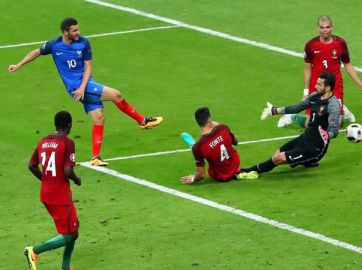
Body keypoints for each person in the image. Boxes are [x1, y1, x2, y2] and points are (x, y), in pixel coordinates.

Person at [8, 17, 163, 166]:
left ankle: (95, 158)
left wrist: (84, 86)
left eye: (78, 29)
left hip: (86, 84)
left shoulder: (83, 43)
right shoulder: (54, 45)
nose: (78, 33)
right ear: (65, 32)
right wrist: (19, 64)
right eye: (74, 30)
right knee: (116, 95)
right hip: (77, 88)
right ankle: (142, 121)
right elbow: (36, 52)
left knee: (99, 118)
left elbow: (88, 66)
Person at [277, 15, 362, 128]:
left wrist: (360, 84)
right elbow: (308, 68)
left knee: (336, 124)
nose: (325, 30)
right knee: (311, 125)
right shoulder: (310, 45)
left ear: (332, 27)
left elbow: (347, 64)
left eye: (327, 27)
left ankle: (342, 110)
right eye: (322, 27)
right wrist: (306, 92)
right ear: (318, 28)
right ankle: (292, 116)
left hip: (335, 85)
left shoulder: (340, 43)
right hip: (317, 86)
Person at [243, 72, 340, 174]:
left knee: (278, 159)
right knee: (276, 154)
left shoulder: (333, 105)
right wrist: (274, 111)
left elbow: (334, 130)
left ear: (328, 88)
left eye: (319, 85)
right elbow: (297, 108)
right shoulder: (314, 96)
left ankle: (250, 171)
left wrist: (327, 135)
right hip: (305, 137)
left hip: (315, 147)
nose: (315, 86)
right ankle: (307, 162)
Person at [25, 111, 82, 270]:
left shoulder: (43, 141)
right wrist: (77, 180)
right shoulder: (67, 143)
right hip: (60, 196)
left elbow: (31, 165)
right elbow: (68, 171)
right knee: (72, 234)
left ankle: (65, 267)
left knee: (72, 228)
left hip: (46, 193)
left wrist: (47, 180)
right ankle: (34, 251)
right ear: (69, 125)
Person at [180, 107, 258, 184]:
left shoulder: (199, 147)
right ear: (210, 120)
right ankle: (194, 145)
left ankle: (192, 144)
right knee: (224, 143)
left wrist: (193, 178)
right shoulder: (223, 128)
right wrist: (219, 125)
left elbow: (201, 175)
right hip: (235, 165)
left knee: (199, 149)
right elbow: (236, 142)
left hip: (219, 176)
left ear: (198, 123)